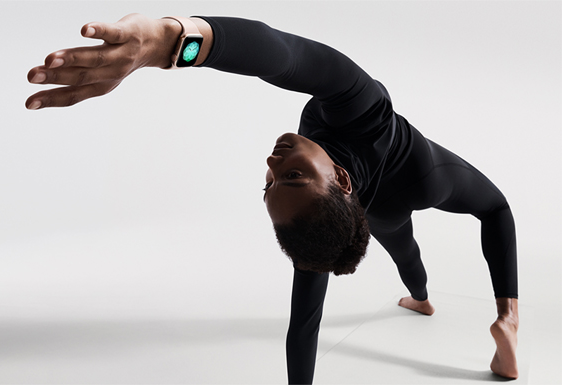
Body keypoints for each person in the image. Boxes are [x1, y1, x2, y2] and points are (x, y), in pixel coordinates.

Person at [26, 13, 519, 384]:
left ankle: (422, 299)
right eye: (293, 177)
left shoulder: (321, 222)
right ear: (342, 182)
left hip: (387, 203)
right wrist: (174, 43)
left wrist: (177, 44)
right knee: (489, 208)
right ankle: (505, 319)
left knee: (402, 243)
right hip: (420, 173)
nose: (274, 161)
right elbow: (285, 54)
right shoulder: (362, 110)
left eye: (271, 182)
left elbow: (304, 328)